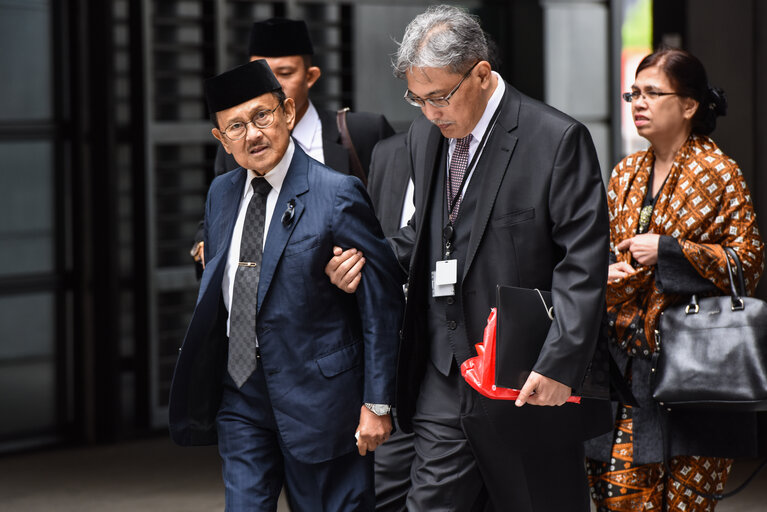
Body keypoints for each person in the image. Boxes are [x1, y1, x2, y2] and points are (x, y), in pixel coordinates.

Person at [326, 5, 612, 510]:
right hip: (443, 368)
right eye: (418, 98)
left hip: (525, 374)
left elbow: (582, 263)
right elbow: (423, 237)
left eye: (440, 97)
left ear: (481, 73)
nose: (430, 112)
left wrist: (560, 362)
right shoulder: (424, 135)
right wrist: (366, 265)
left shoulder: (556, 140)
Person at [168, 59, 404, 511]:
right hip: (240, 393)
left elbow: (382, 303)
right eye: (235, 127)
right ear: (221, 140)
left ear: (288, 113)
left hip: (321, 399)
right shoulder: (221, 192)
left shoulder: (337, 193)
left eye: (262, 116)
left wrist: (377, 402)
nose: (252, 134)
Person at [584, 47, 764, 511]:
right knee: (615, 495)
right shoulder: (626, 173)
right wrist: (606, 270)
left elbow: (749, 264)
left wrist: (668, 250)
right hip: (626, 368)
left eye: (652, 93)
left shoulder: (720, 173)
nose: (638, 103)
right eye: (633, 94)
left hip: (696, 369)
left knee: (685, 503)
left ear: (689, 105)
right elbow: (600, 251)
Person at [191, 17, 394, 268]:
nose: (272, 84)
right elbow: (220, 217)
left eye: (285, 73)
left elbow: (397, 214)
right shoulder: (237, 145)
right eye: (262, 73)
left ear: (310, 76)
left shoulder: (363, 132)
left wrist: (364, 261)